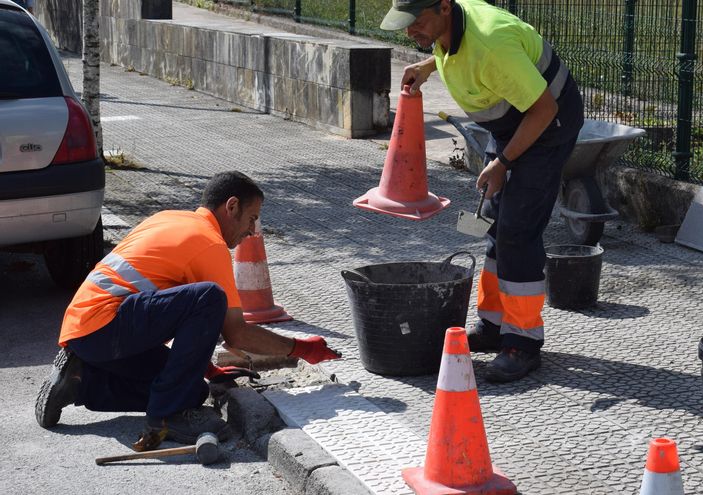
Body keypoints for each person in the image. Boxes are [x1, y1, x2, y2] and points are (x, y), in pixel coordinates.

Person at [35, 171, 340, 445]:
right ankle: (166, 416)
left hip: (87, 331)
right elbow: (237, 336)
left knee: (194, 391)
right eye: (251, 219)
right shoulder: (209, 243)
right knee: (210, 297)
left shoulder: (169, 218)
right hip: (107, 325)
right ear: (231, 207)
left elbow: (161, 310)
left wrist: (205, 369)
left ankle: (80, 382)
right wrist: (301, 348)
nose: (251, 230)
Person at [381, 0, 584, 382]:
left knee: (518, 233)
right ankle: (493, 325)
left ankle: (522, 343)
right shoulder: (448, 24)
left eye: (416, 22)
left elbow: (543, 109)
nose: (410, 32)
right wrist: (428, 65)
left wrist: (503, 162)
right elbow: (455, 48)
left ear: (443, 7)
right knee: (493, 224)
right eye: (405, 25)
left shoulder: (491, 45)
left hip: (547, 126)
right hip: (511, 124)